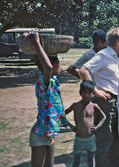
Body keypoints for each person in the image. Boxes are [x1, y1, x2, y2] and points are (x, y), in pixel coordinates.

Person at [79, 27, 119, 167]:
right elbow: (83, 71)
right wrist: (95, 91)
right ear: (118, 42)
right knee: (105, 141)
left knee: (117, 140)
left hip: (118, 102)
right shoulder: (104, 55)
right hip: (106, 103)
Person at [27, 31, 68, 167]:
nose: (60, 66)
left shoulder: (54, 82)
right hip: (39, 136)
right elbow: (48, 67)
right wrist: (37, 43)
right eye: (58, 63)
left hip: (49, 136)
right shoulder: (43, 83)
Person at [65, 80, 106, 167]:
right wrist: (71, 126)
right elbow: (62, 115)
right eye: (84, 92)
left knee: (91, 160)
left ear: (93, 94)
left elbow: (104, 117)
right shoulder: (75, 105)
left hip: (91, 138)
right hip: (79, 139)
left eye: (89, 93)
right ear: (80, 93)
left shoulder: (94, 106)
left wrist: (97, 127)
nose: (86, 95)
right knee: (76, 160)